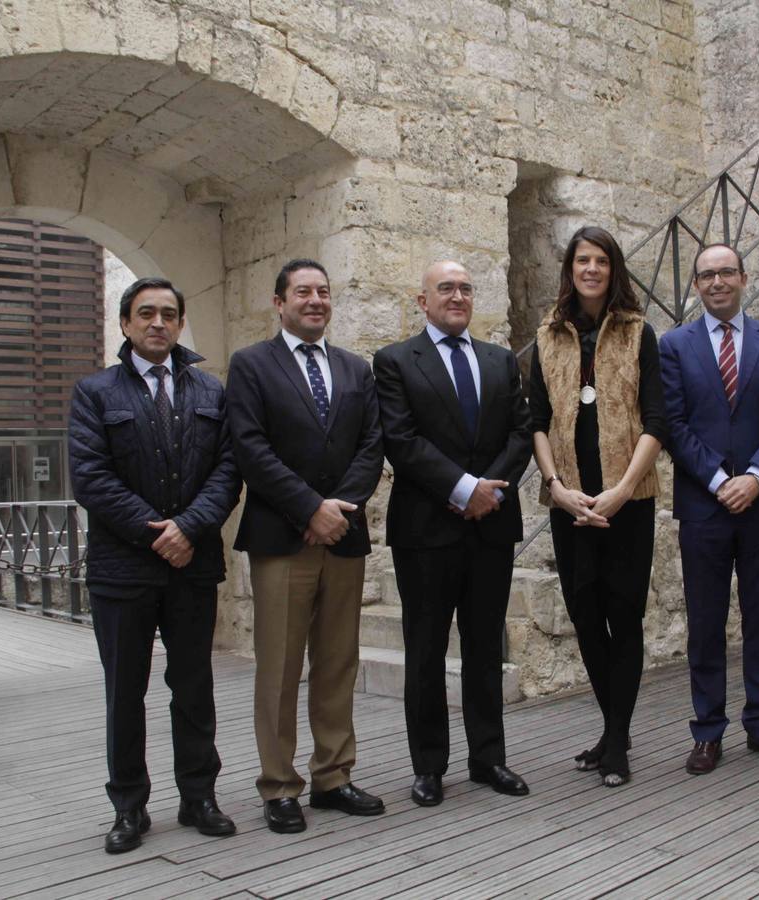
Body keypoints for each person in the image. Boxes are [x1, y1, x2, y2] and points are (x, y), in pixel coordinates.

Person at [69, 276, 241, 854]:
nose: (158, 323)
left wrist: (188, 528)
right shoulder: (95, 393)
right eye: (146, 313)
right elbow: (91, 478)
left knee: (194, 686)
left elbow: (228, 470)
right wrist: (158, 533)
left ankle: (199, 797)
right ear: (125, 323)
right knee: (125, 692)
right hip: (122, 570)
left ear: (181, 323)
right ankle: (129, 806)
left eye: (169, 313)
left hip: (193, 565)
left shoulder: (211, 391)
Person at [226, 259, 386, 833]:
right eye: (302, 292)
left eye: (323, 291)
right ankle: (278, 784)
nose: (315, 300)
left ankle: (333, 776)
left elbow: (372, 445)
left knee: (338, 661)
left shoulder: (355, 369)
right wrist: (309, 509)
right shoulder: (251, 365)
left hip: (342, 535)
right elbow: (250, 447)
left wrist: (337, 510)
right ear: (279, 302)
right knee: (280, 665)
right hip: (282, 538)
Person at [373, 260, 533, 807]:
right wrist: (464, 489)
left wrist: (490, 493)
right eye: (445, 288)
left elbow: (521, 432)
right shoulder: (395, 361)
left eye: (465, 287)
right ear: (423, 301)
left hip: (491, 526)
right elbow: (401, 439)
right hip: (426, 531)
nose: (457, 296)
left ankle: (489, 758)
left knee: (486, 647)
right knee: (426, 651)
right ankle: (428, 766)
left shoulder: (499, 360)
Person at [659, 243, 759, 775]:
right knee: (705, 621)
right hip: (704, 506)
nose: (717, 282)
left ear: (744, 277)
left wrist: (757, 477)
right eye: (707, 275)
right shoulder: (673, 345)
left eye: (726, 272)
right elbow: (673, 425)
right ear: (696, 285)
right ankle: (708, 730)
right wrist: (721, 480)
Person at [530, 226, 666, 787]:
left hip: (627, 502)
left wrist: (622, 489)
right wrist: (555, 485)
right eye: (582, 260)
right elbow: (537, 420)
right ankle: (614, 731)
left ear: (614, 270)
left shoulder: (639, 332)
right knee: (586, 618)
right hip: (570, 504)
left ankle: (616, 743)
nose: (591, 269)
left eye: (601, 261)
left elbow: (656, 420)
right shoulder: (548, 335)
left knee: (624, 617)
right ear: (570, 268)